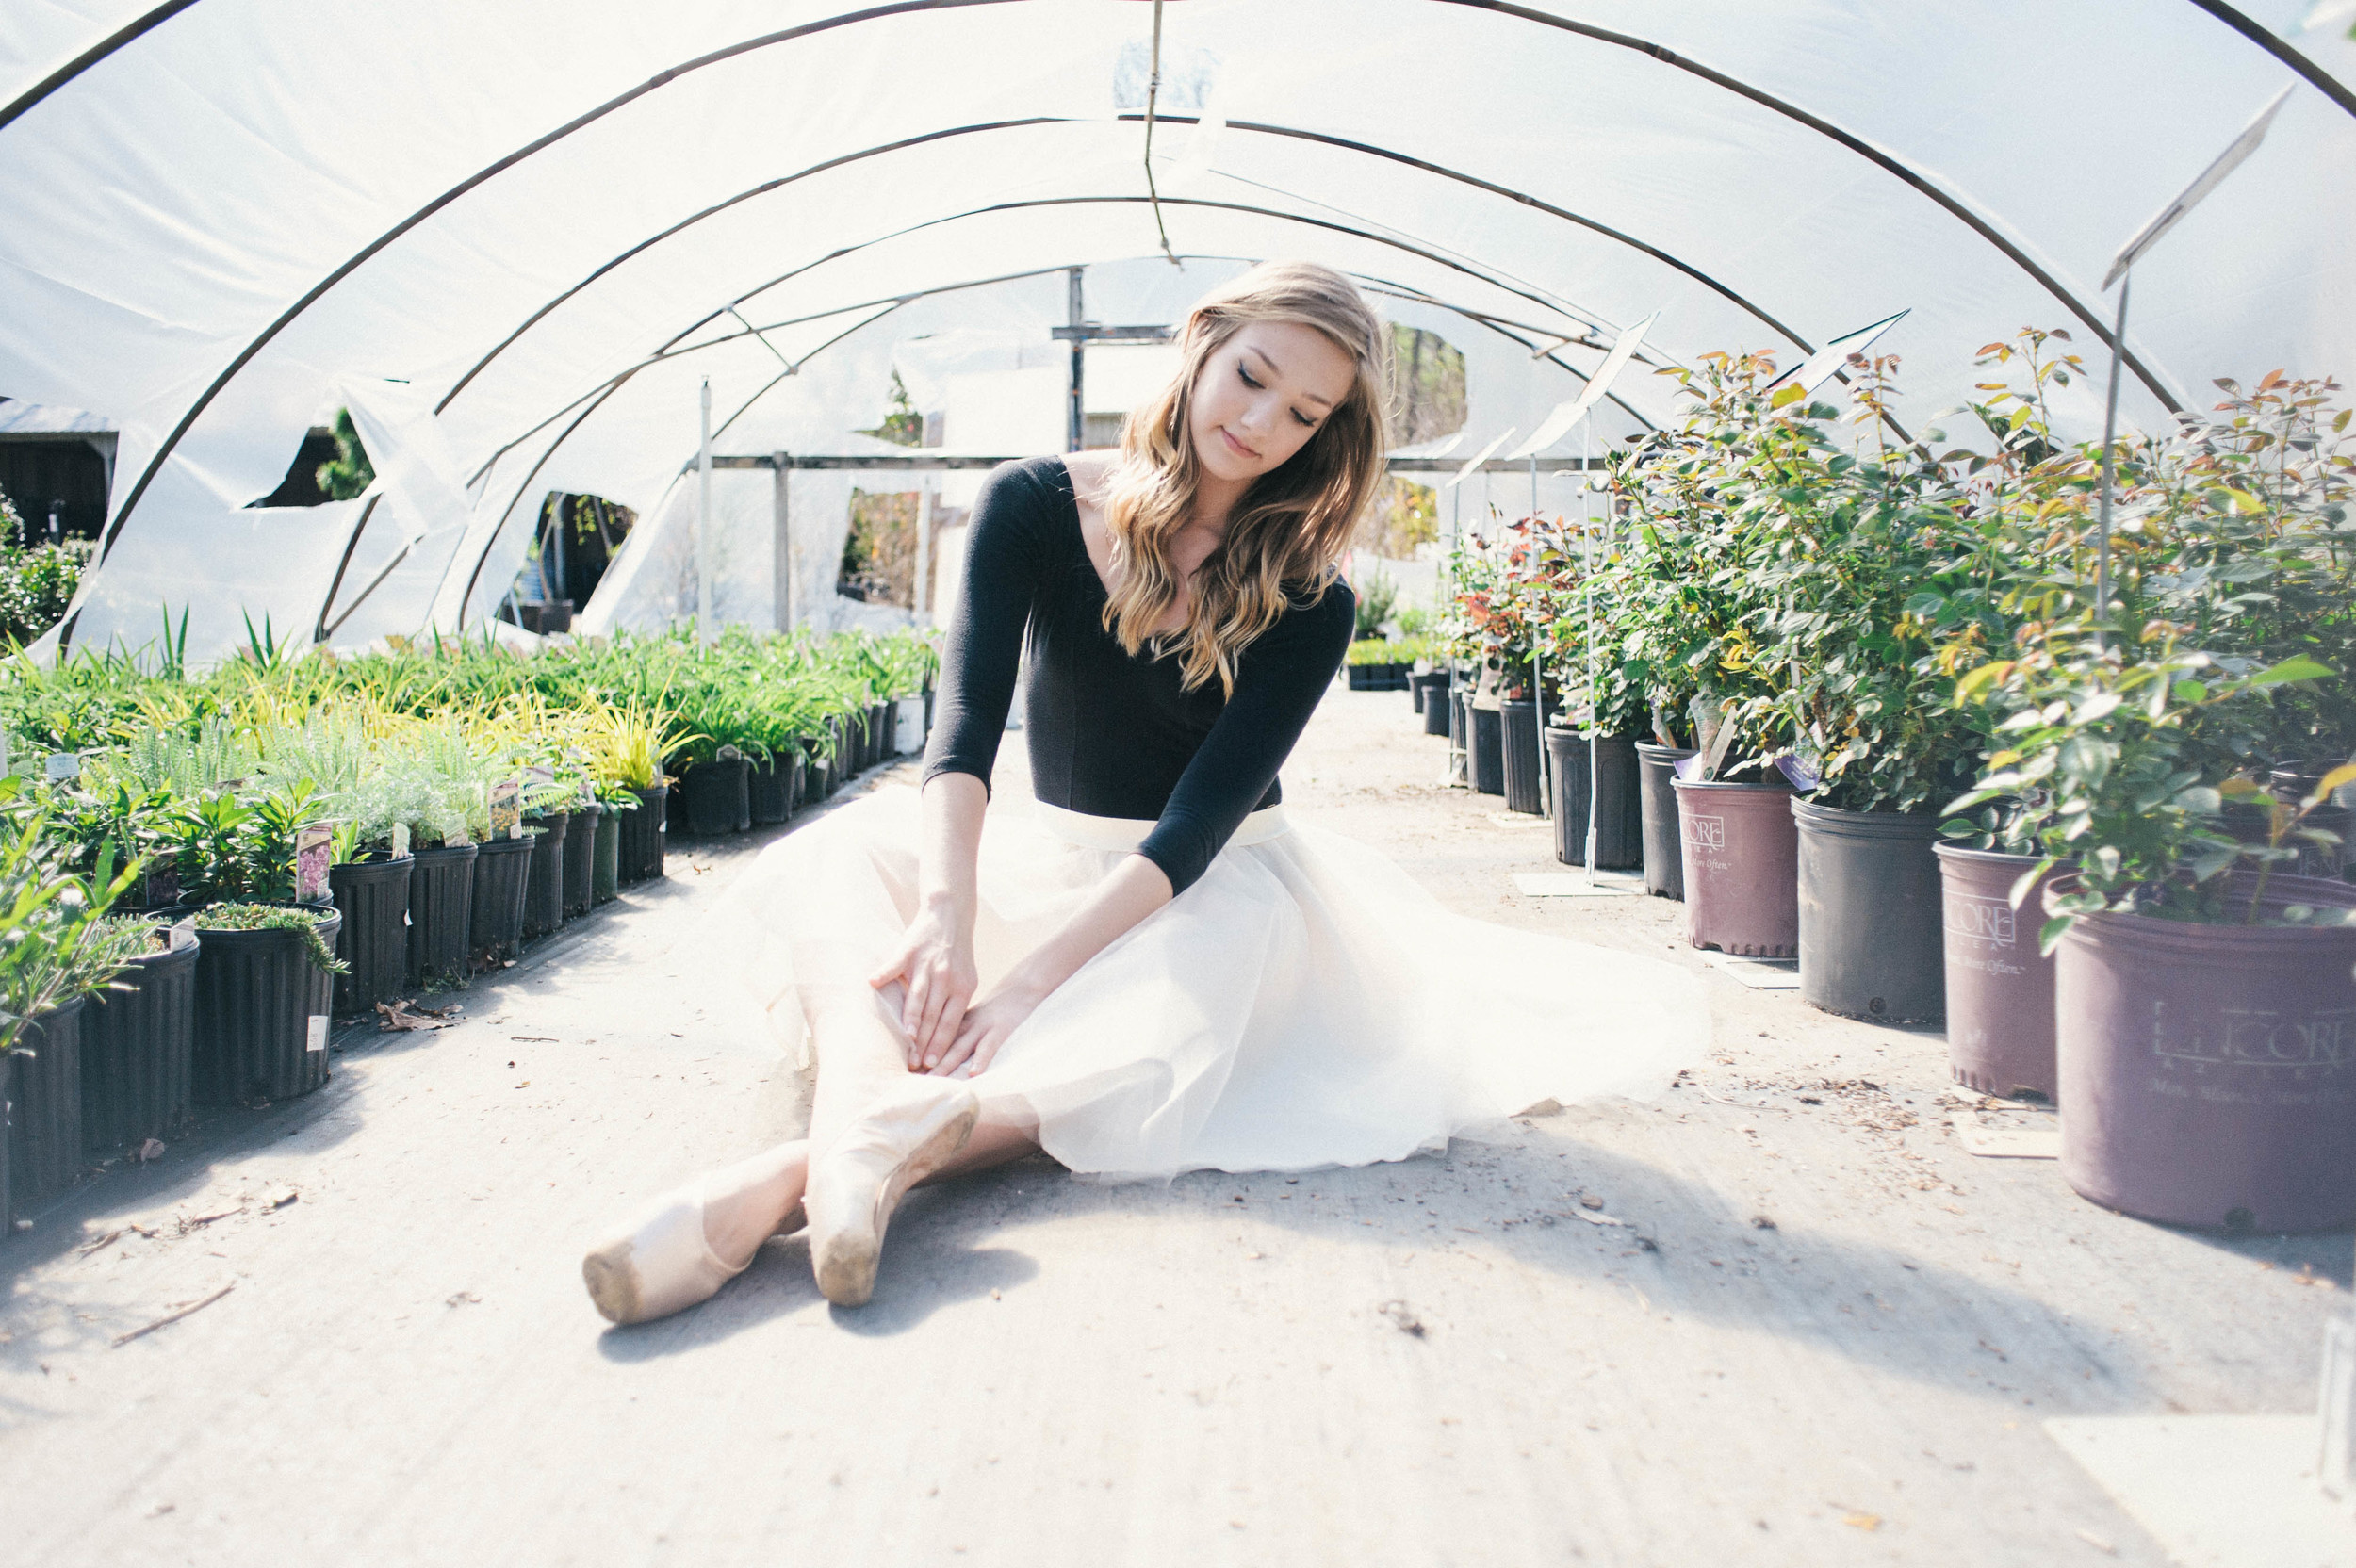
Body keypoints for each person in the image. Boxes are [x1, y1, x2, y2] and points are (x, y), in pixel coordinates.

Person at [581, 261, 1704, 1324]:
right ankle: (860, 1143)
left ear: (1327, 433)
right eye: (1253, 376)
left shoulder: (1312, 598)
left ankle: (789, 1183)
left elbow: (1195, 828)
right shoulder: (1030, 503)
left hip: (1202, 889)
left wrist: (1021, 985)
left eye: (1303, 413)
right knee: (850, 878)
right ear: (1202, 344)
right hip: (1053, 851)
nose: (1262, 421)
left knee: (1131, 1029)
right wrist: (946, 916)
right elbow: (963, 730)